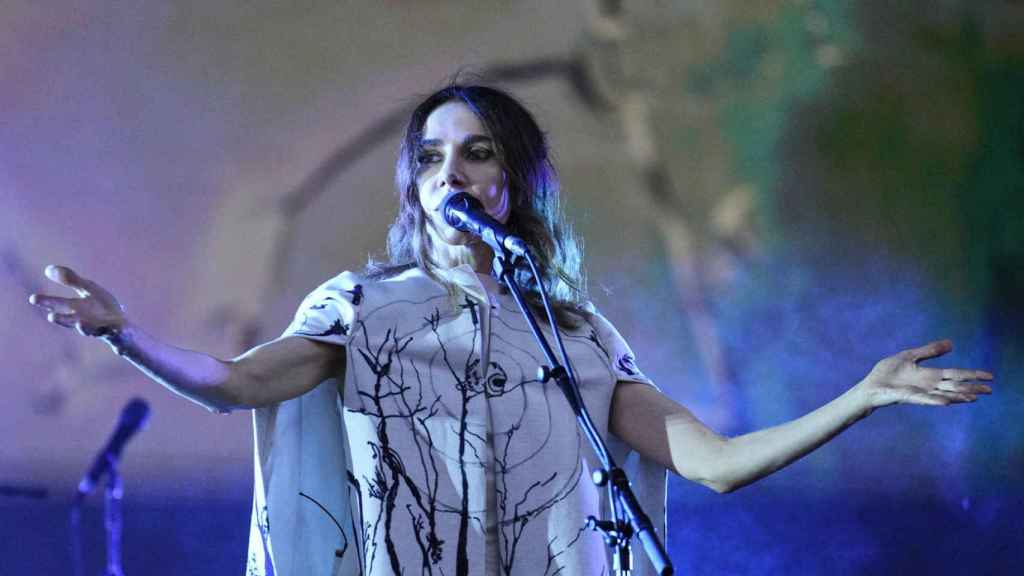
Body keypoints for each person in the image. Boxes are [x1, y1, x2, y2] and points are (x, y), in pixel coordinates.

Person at [29, 84, 994, 576]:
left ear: (514, 181)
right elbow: (234, 380)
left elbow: (717, 463)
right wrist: (124, 335)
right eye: (433, 157)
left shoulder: (573, 332)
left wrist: (863, 396)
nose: (454, 171)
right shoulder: (361, 310)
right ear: (414, 185)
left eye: (478, 153)